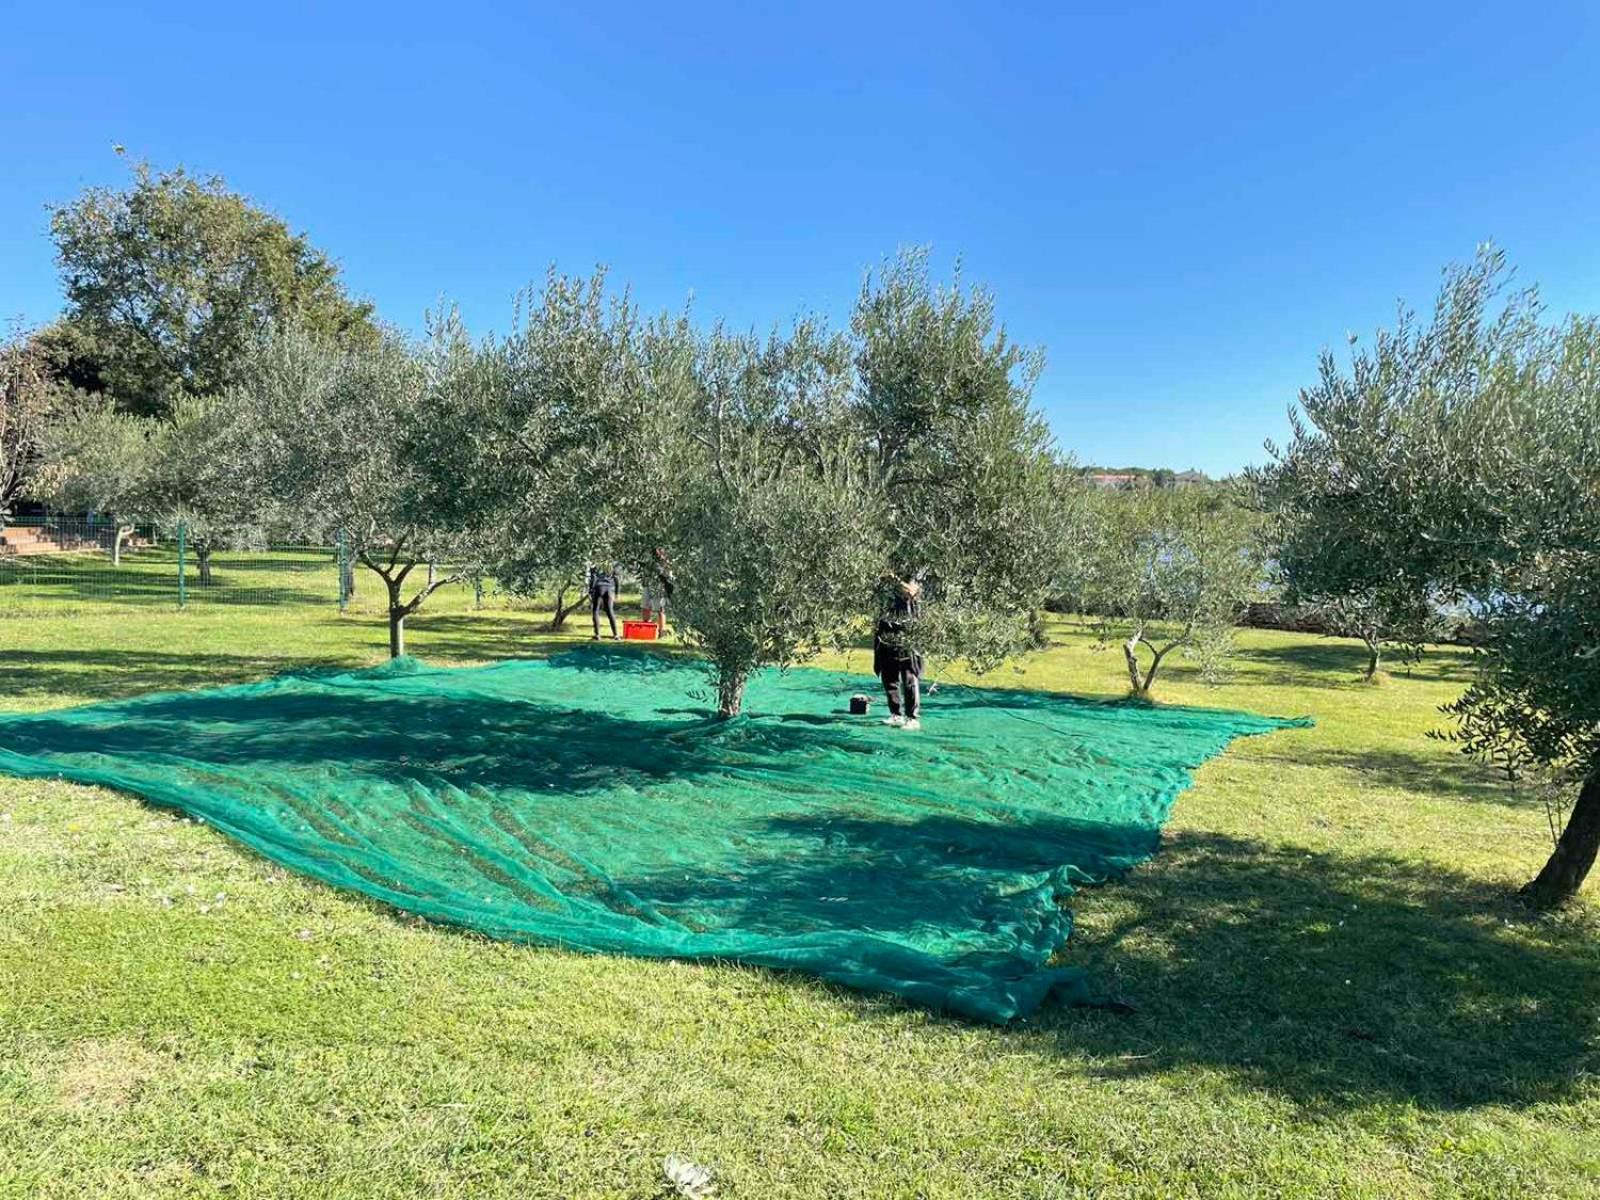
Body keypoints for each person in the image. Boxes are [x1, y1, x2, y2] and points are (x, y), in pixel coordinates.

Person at [874, 575, 924, 730]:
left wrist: (892, 578)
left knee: (909, 674)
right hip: (885, 630)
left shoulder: (913, 572)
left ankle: (912, 717)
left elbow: (911, 591)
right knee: (888, 675)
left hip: (907, 632)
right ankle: (896, 715)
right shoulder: (883, 581)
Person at [587, 560, 619, 640]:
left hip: (599, 587)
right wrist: (616, 592)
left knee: (595, 611)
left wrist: (590, 590)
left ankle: (597, 635)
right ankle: (616, 635)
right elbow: (616, 578)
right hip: (609, 588)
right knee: (610, 612)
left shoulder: (595, 563)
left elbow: (593, 577)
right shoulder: (611, 563)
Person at [646, 547, 675, 631]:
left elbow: (668, 577)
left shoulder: (666, 564)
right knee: (657, 610)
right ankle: (653, 629)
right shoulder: (655, 563)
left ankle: (661, 631)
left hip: (661, 589)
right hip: (656, 588)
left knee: (661, 610)